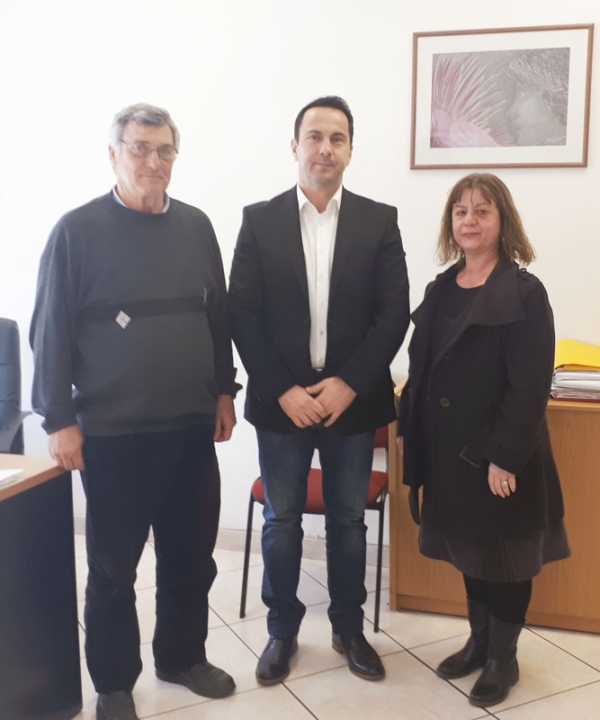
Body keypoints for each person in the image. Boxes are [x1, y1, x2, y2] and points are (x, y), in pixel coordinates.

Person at [30, 103, 240, 720]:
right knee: (113, 570)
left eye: (165, 149)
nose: (154, 161)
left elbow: (218, 318)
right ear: (114, 154)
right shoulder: (76, 232)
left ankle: (181, 656)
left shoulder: (196, 226)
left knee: (191, 559)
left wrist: (224, 391)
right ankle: (115, 683)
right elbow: (50, 332)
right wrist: (57, 419)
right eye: (140, 148)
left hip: (191, 428)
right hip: (114, 435)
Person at [229, 96, 410, 685]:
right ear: (295, 146)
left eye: (337, 138)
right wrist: (283, 390)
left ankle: (348, 628)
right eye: (314, 136)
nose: (325, 148)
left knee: (348, 522)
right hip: (281, 405)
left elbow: (394, 313)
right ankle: (282, 630)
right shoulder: (259, 220)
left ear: (351, 150)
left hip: (350, 407)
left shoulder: (379, 221)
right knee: (281, 521)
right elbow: (241, 314)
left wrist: (349, 385)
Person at [397, 173, 569, 708]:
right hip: (449, 457)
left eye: (482, 211)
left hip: (497, 457)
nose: (469, 221)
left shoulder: (524, 292)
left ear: (502, 220)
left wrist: (504, 457)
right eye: (460, 211)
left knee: (506, 559)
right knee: (470, 552)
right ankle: (478, 642)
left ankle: (503, 659)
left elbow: (529, 386)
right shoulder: (442, 288)